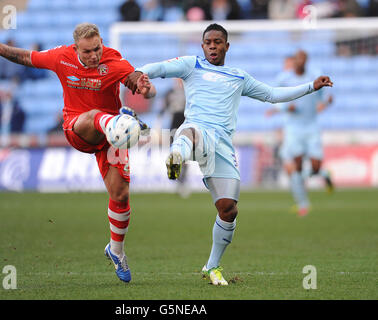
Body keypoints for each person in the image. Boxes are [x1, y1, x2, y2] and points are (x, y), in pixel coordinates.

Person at [125, 23, 333, 286]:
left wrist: (310, 87)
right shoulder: (192, 65)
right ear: (202, 46)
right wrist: (141, 72)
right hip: (197, 131)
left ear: (226, 46)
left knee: (229, 209)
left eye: (217, 42)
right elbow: (163, 67)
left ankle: (212, 266)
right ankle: (176, 156)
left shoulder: (239, 77)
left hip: (222, 147)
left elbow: (272, 95)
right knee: (188, 131)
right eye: (208, 42)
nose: (212, 46)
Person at [0, 22, 155, 283]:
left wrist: (145, 88)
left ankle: (116, 250)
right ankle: (121, 123)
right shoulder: (62, 57)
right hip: (78, 128)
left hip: (110, 138)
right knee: (96, 116)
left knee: (121, 194)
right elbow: (27, 57)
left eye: (97, 48)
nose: (94, 55)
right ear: (76, 49)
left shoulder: (113, 61)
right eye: (87, 52)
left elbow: (138, 83)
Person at [266, 50, 334, 217]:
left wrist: (325, 103)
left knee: (315, 166)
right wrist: (284, 107)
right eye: (298, 59)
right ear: (294, 61)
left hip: (312, 127)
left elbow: (327, 95)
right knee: (295, 166)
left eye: (303, 59)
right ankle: (303, 204)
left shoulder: (315, 75)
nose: (300, 62)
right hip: (293, 129)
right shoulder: (283, 78)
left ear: (306, 61)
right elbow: (274, 99)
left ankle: (322, 173)